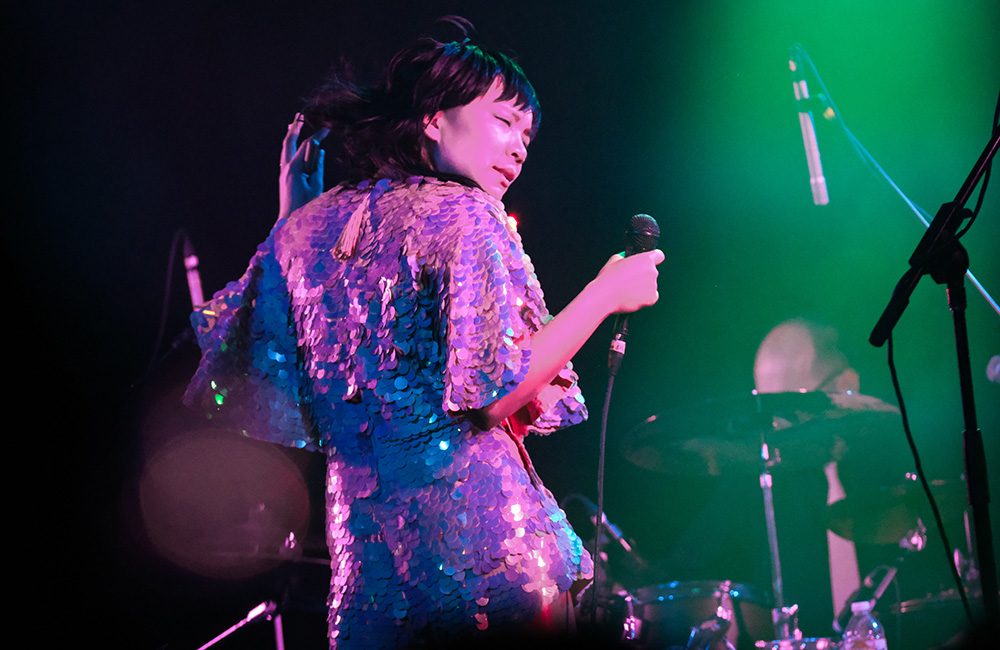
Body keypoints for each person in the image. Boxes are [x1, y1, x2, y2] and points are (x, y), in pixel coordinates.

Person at [184, 18, 663, 649]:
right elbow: (493, 398)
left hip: (369, 590)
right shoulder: (468, 215)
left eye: (527, 133)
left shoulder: (307, 231)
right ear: (435, 117)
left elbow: (244, 354)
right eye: (503, 120)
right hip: (488, 573)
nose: (520, 146)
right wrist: (604, 296)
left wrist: (288, 218)